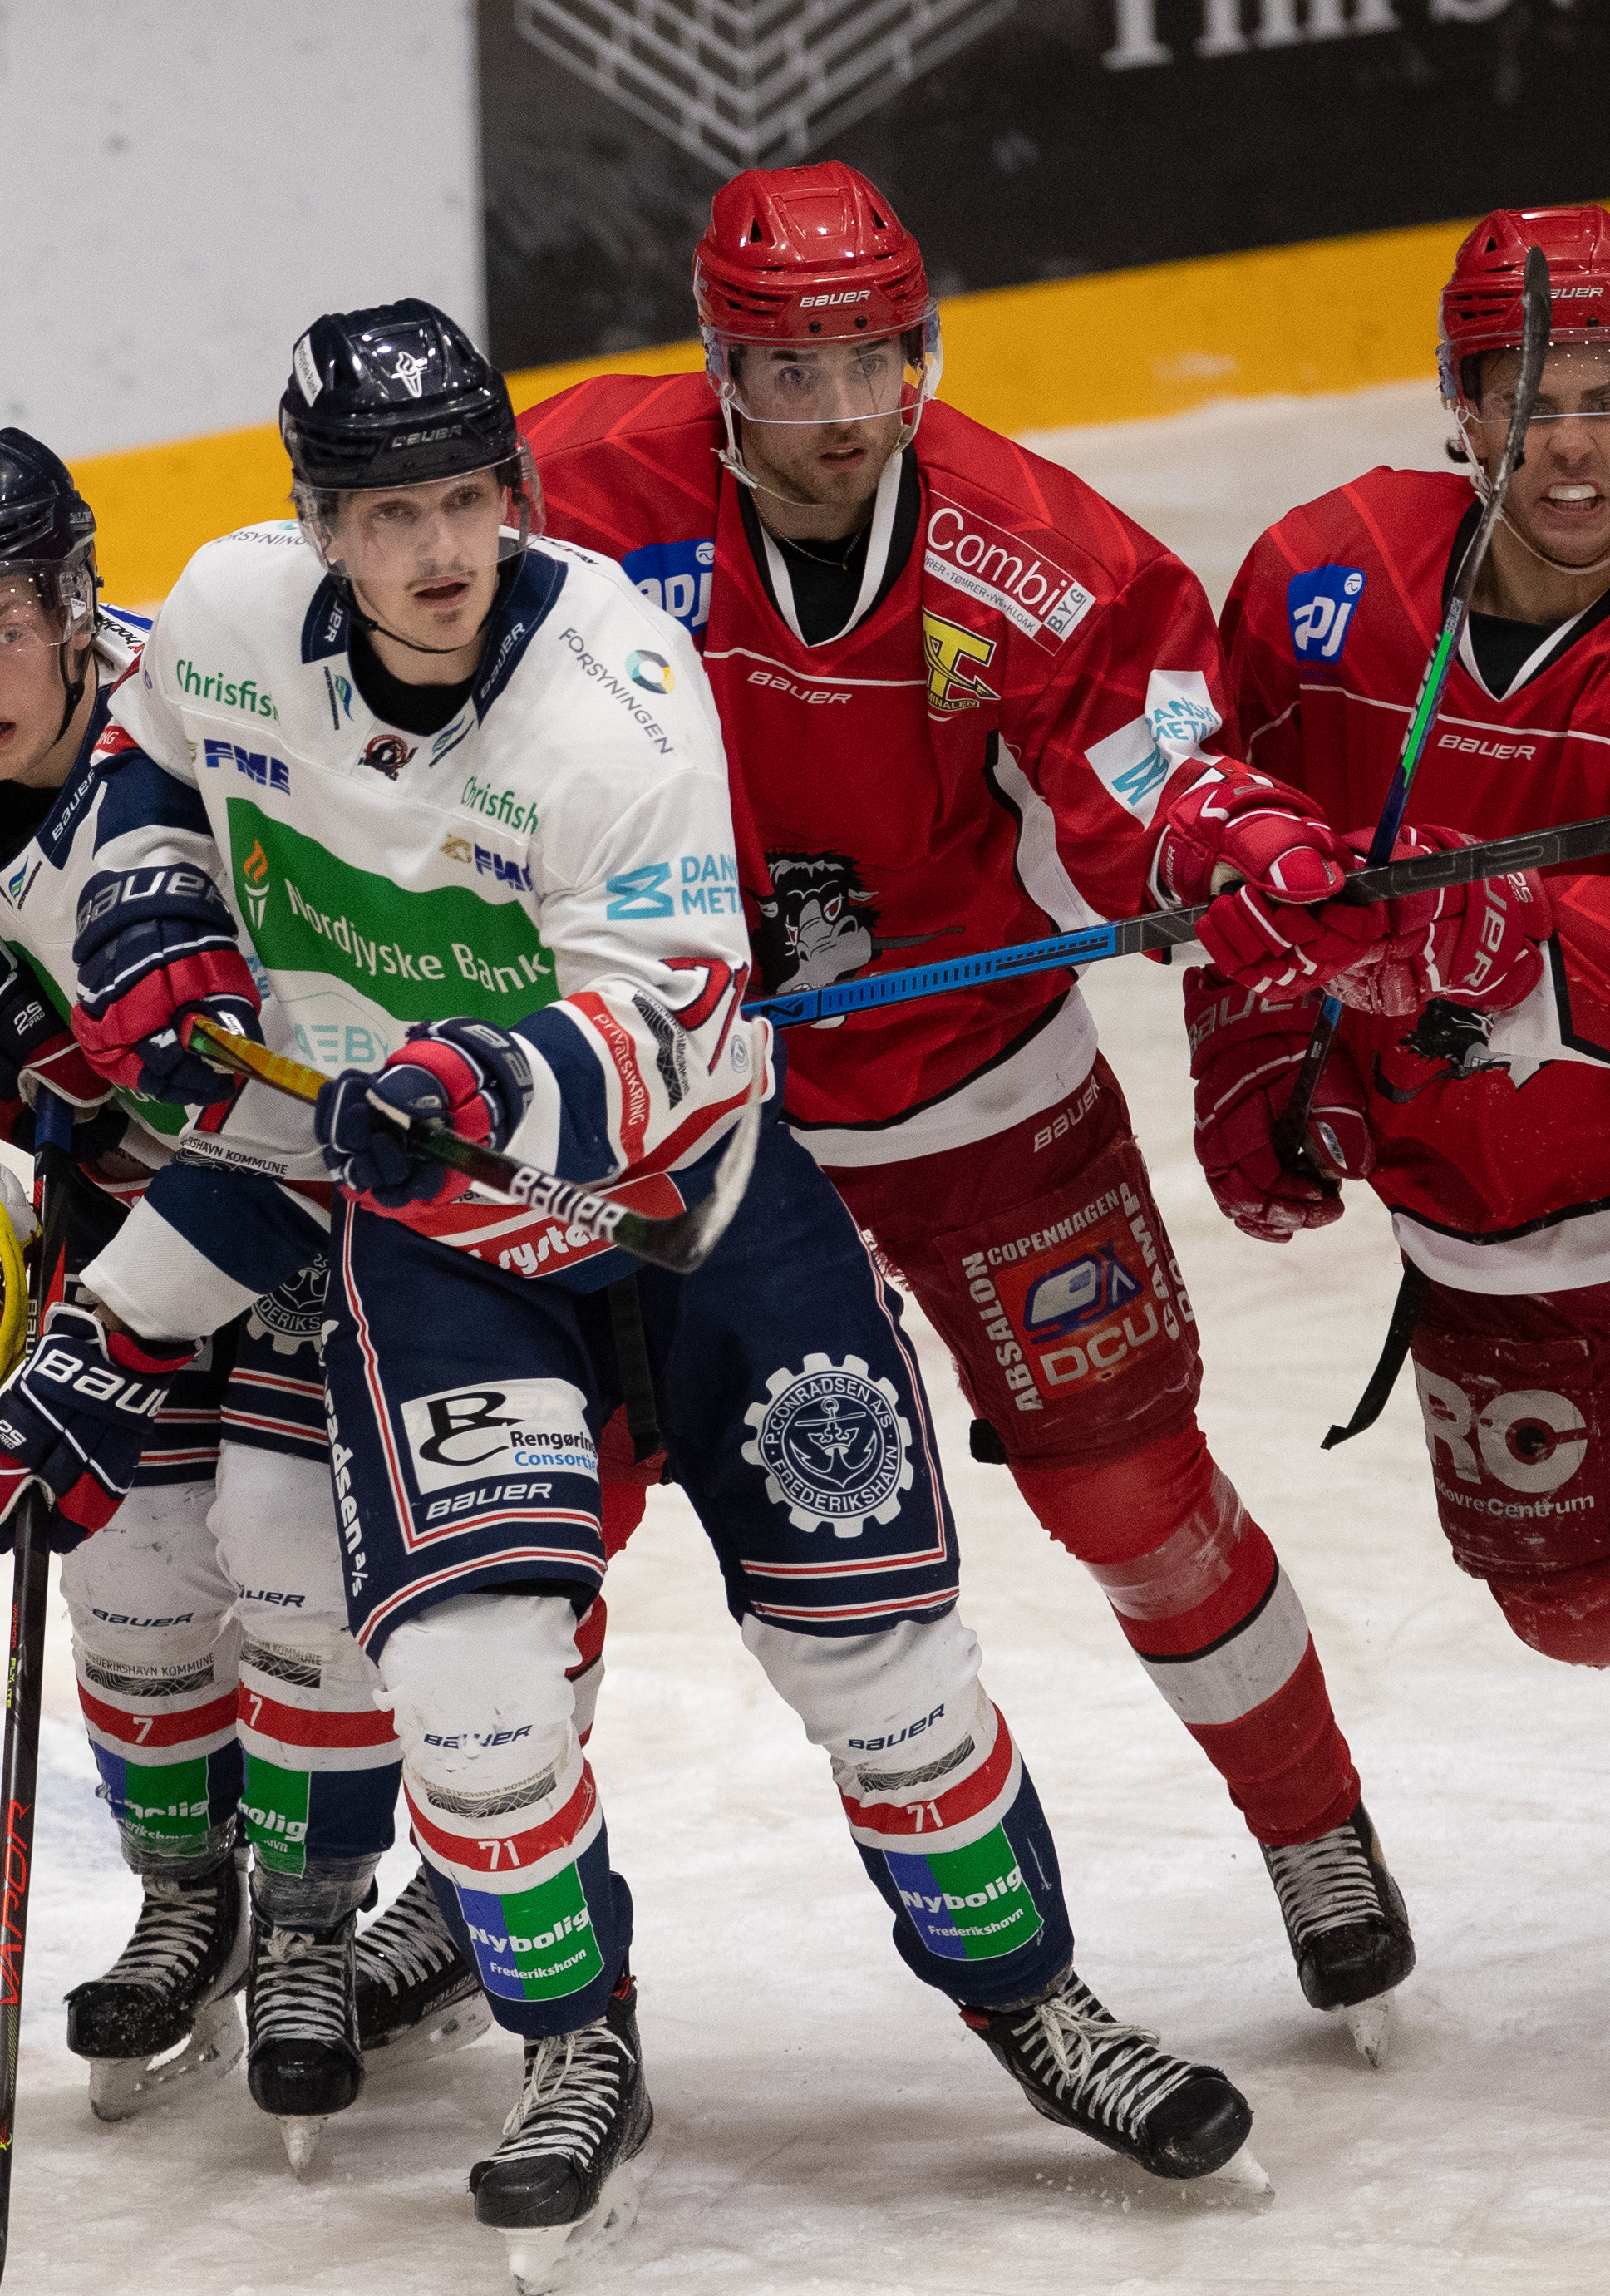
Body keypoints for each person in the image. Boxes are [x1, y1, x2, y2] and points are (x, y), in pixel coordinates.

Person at [42, 301, 1253, 2264]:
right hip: (450, 1258)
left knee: (882, 1668)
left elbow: (675, 1008)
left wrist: (466, 1082)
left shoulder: (615, 685)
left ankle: (1038, 2000)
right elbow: (142, 769)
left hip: (699, 1227)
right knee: (468, 1690)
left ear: (515, 494)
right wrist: (158, 921)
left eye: (464, 501)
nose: (435, 551)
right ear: (317, 526)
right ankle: (571, 2041)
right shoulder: (229, 617)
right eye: (385, 516)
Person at [516, 160, 1408, 2043]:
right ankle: (487, 1900)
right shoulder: (579, 493)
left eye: (876, 361)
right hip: (678, 1102)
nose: (842, 411)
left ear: (921, 353)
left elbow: (1156, 768)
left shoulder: (1037, 549)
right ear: (717, 365)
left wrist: (1227, 837)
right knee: (545, 1504)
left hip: (970, 1085)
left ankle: (1311, 1822)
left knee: (1129, 1487)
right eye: (791, 369)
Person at [0, 429, 491, 2154]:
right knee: (122, 1560)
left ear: (75, 611)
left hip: (303, 1183)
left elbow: (319, 1036)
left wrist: (144, 1243)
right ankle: (186, 1900)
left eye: (2, 630)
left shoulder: (210, 732)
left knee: (289, 1544)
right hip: (137, 1188)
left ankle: (310, 1921)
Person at [1199, 204, 1610, 1871]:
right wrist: (1253, 1060)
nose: (1569, 444)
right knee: (1581, 1598)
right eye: (1526, 403)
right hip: (1493, 1203)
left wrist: (1516, 947)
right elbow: (1238, 852)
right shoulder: (1322, 586)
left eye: (1605, 398)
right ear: (1459, 408)